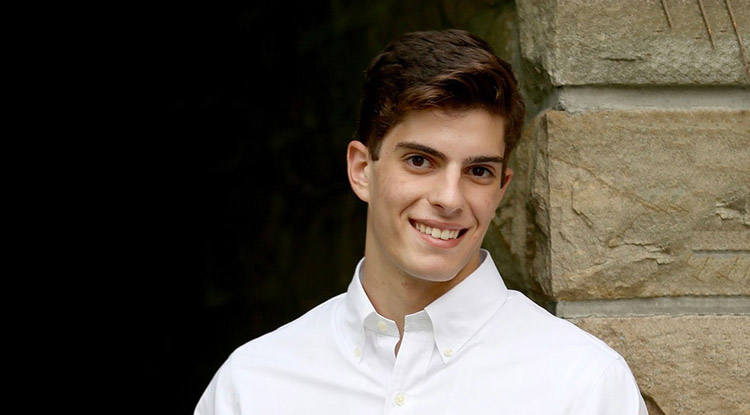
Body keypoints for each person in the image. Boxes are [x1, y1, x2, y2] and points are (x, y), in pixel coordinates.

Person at [194, 29, 648, 414]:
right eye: (419, 161)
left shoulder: (582, 385)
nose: (449, 199)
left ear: (501, 189)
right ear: (361, 169)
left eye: (478, 171)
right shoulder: (253, 386)